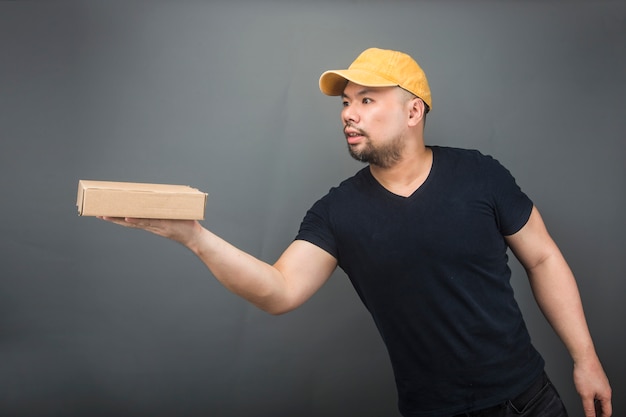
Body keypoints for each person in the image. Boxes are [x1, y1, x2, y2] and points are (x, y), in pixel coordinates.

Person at [100, 48, 612, 417]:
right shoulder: (337, 211)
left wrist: (585, 359)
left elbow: (542, 258)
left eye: (367, 100)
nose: (348, 113)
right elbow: (279, 291)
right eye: (346, 102)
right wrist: (193, 236)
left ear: (413, 111)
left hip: (529, 399)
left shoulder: (480, 174)